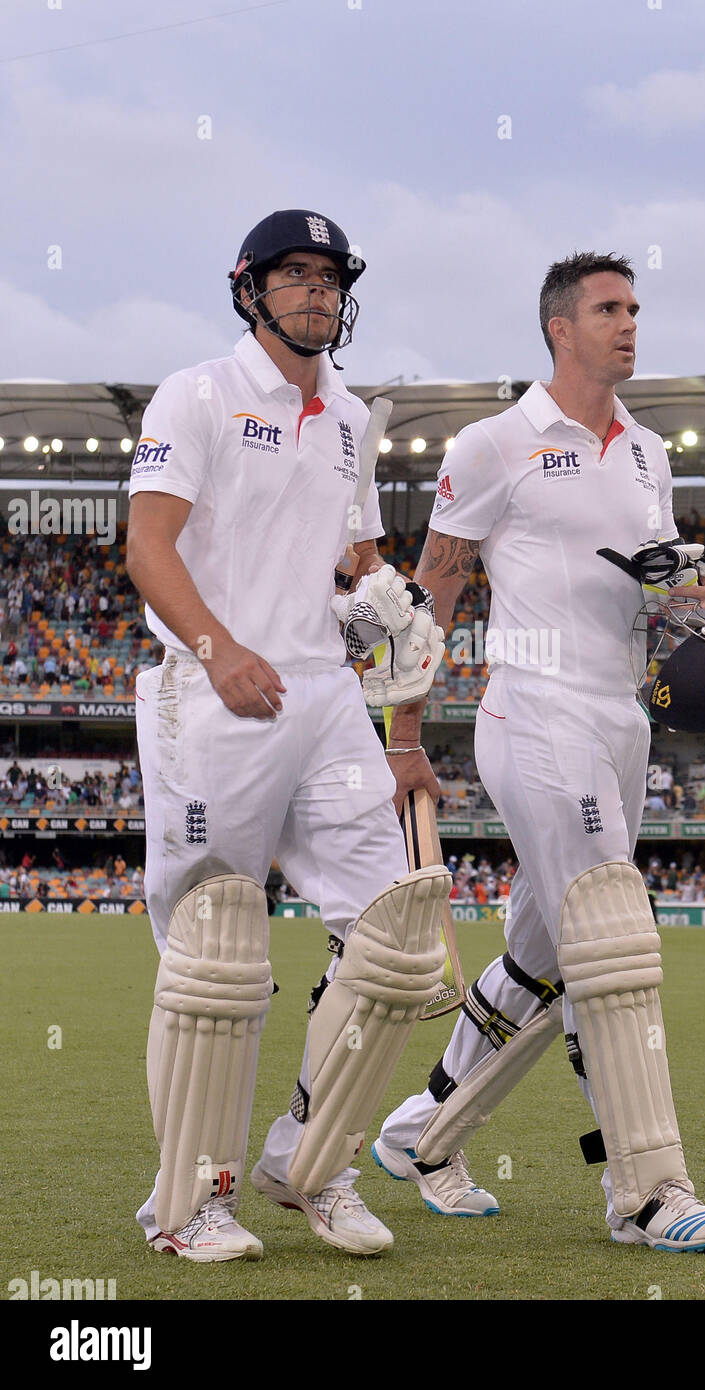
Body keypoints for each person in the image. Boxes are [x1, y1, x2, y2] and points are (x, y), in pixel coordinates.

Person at [372, 251, 705, 1252]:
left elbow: (652, 580)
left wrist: (699, 600)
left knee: (543, 955)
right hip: (532, 715)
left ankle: (421, 1131)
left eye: (635, 306)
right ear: (559, 329)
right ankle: (648, 1191)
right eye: (608, 308)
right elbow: (430, 592)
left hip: (622, 719)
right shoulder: (494, 444)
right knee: (609, 942)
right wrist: (405, 737)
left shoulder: (648, 452)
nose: (629, 322)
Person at [126, 209, 446, 1263]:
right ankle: (187, 1201)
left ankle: (313, 1159)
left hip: (322, 697)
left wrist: (391, 608)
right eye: (292, 274)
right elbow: (148, 545)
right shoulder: (199, 393)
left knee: (393, 939)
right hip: (215, 691)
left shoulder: (351, 415)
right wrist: (220, 648)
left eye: (327, 276)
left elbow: (359, 558)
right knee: (218, 950)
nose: (314, 291)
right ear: (249, 287)